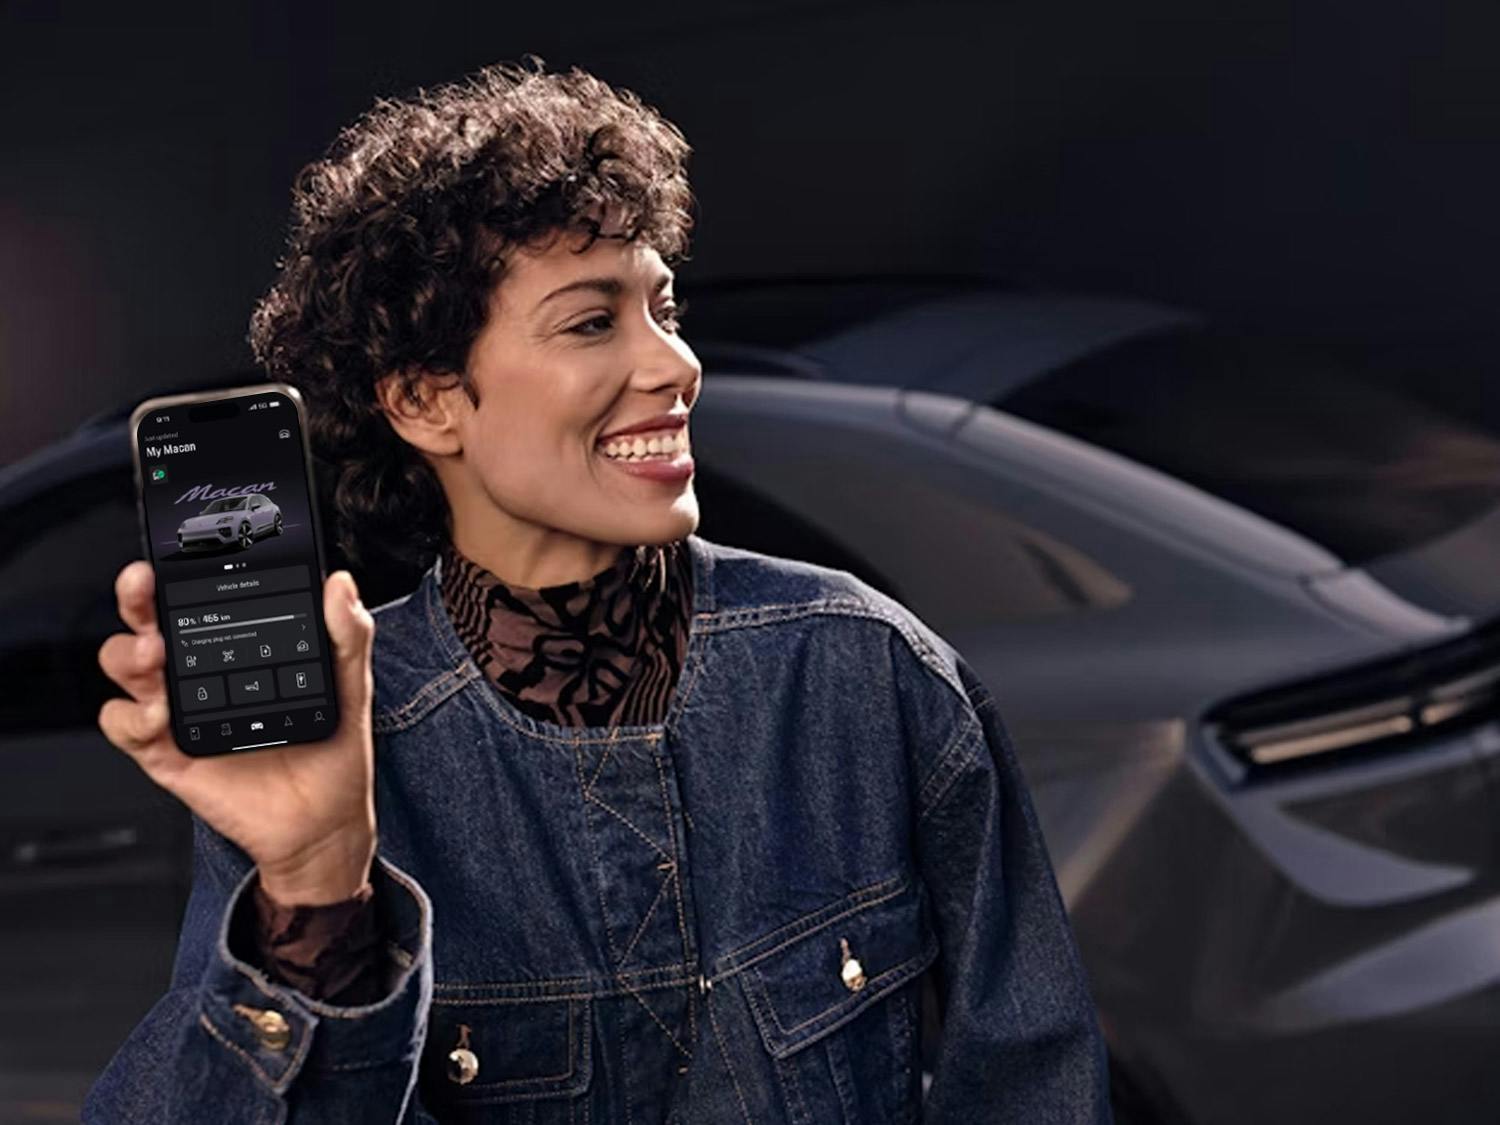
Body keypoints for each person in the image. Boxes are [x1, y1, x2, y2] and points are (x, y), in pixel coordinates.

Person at [85, 57, 1111, 1123]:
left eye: (663, 309)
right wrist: (317, 889)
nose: (673, 366)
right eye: (591, 323)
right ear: (428, 402)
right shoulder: (341, 748)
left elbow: (1040, 1085)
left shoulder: (865, 673)